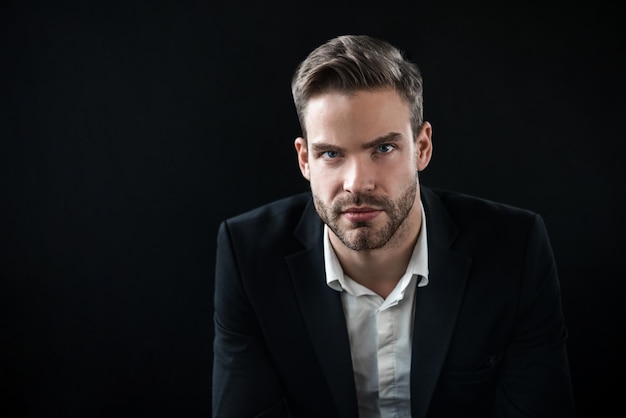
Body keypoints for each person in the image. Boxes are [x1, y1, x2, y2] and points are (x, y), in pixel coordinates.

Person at [212, 34, 575, 418]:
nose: (358, 183)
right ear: (305, 160)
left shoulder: (514, 249)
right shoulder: (248, 255)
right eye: (331, 154)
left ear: (422, 147)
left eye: (383, 149)